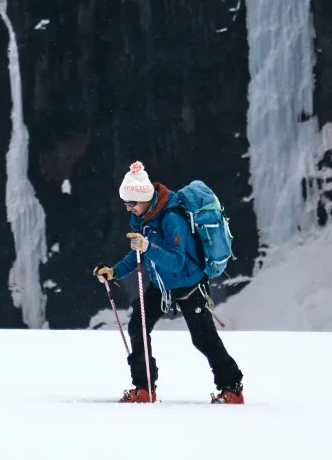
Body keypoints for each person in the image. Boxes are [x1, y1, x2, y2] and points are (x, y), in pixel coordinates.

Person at [94, 161, 244, 404]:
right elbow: (137, 253)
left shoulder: (172, 219)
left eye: (131, 203)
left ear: (143, 198)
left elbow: (175, 262)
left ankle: (232, 388)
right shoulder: (141, 218)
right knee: (138, 328)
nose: (128, 208)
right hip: (162, 284)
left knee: (203, 337)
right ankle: (144, 388)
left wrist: (148, 246)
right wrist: (114, 272)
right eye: (125, 204)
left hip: (189, 283)